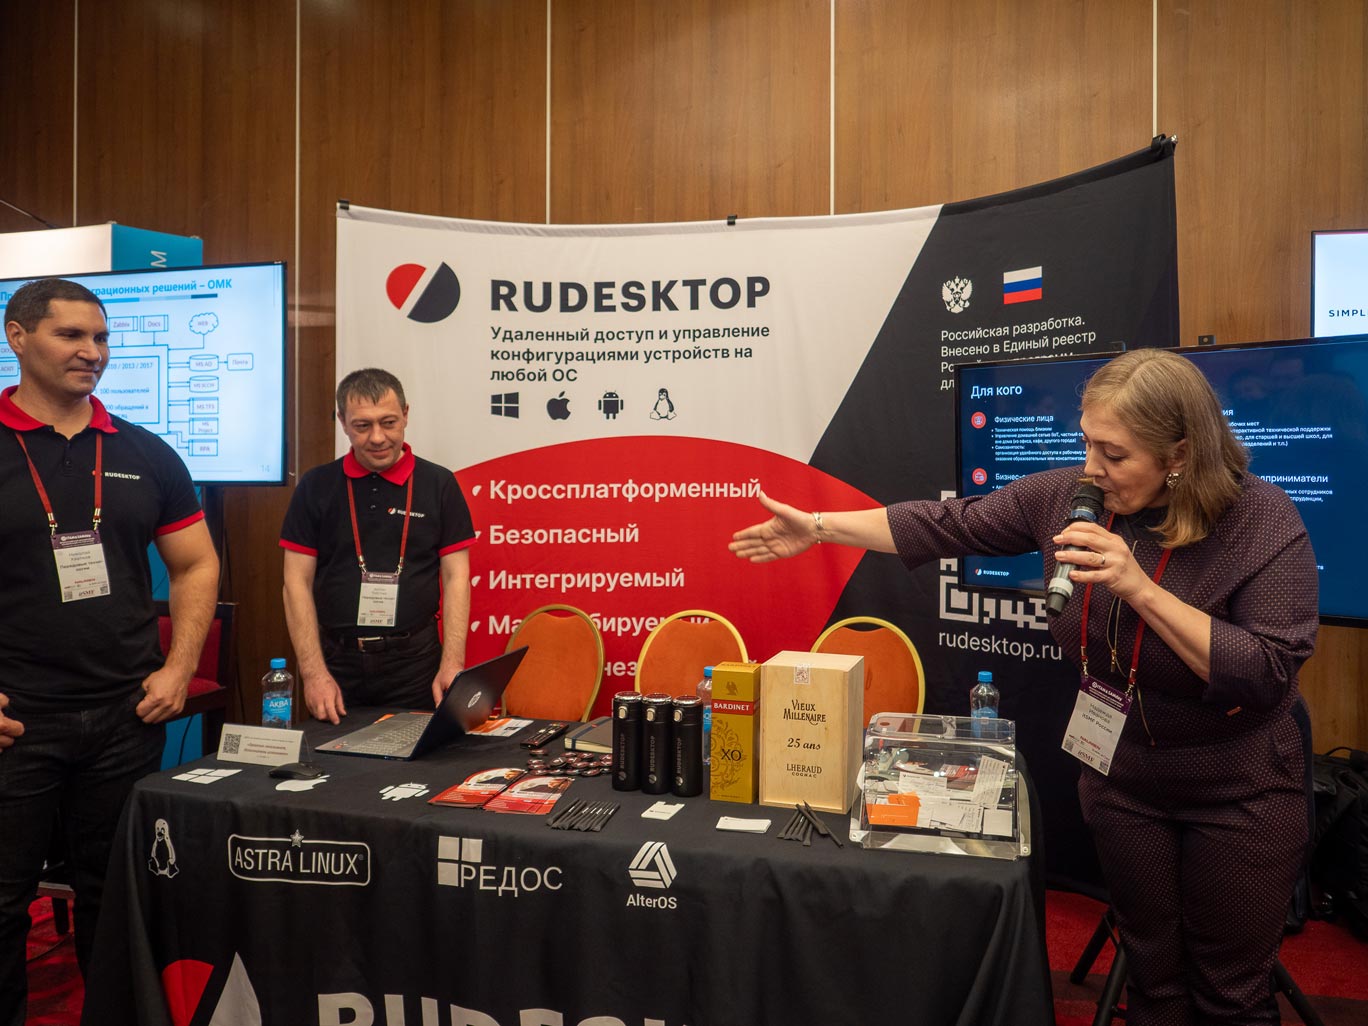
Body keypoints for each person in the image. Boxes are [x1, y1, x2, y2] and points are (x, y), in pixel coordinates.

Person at [730, 348, 1318, 1026]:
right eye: (1087, 443)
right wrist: (818, 529)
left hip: (1236, 788)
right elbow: (948, 523)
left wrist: (1139, 588)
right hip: (1124, 780)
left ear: (1180, 454)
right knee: (1153, 977)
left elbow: (1267, 671)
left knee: (1229, 993)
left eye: (1114, 454)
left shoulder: (1260, 520)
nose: (1092, 468)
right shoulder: (1071, 499)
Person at [0, 278, 219, 1026]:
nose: (91, 352)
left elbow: (197, 564)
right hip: (16, 723)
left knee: (116, 897)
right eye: (71, 335)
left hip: (126, 718)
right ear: (18, 336)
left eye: (100, 338)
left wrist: (179, 667)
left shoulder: (144, 451)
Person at [281, 367, 475, 722]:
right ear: (342, 421)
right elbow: (295, 582)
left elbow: (456, 578)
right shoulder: (315, 486)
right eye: (362, 425)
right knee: (333, 756)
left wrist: (452, 664)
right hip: (337, 665)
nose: (377, 437)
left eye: (388, 423)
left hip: (415, 664)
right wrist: (313, 674)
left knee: (419, 755)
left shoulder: (439, 484)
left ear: (405, 415)